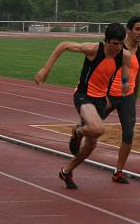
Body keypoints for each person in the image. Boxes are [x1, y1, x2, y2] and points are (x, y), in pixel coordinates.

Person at [34, 22, 131, 190]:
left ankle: (66, 171)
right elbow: (63, 45)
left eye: (121, 43)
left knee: (91, 145)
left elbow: (125, 71)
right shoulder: (93, 49)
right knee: (98, 129)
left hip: (101, 100)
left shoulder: (124, 55)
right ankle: (77, 130)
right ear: (106, 41)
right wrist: (45, 69)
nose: (118, 47)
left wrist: (124, 84)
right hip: (83, 96)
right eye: (115, 43)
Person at [105, 16, 140, 184]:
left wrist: (135, 98)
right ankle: (78, 132)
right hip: (109, 95)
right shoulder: (117, 48)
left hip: (127, 97)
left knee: (129, 133)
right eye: (137, 29)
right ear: (129, 30)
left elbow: (137, 76)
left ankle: (119, 171)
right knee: (91, 129)